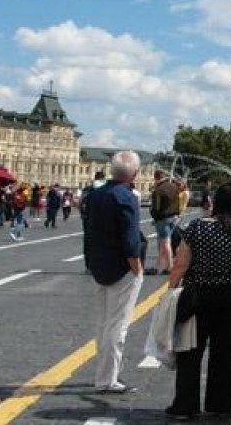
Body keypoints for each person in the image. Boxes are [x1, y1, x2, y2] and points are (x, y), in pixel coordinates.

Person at [166, 181, 231, 419]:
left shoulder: (197, 227)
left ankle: (185, 405)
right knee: (226, 351)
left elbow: (181, 263)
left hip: (198, 293)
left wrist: (170, 290)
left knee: (190, 350)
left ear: (215, 201)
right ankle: (222, 404)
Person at [87, 151, 144, 394]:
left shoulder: (96, 194)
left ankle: (103, 372)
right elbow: (130, 238)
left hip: (99, 265)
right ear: (134, 174)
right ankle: (108, 378)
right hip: (122, 267)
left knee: (103, 323)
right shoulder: (126, 197)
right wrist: (137, 267)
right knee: (118, 325)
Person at [148, 170, 180, 275]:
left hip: (162, 218)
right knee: (164, 243)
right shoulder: (174, 187)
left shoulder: (158, 190)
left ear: (156, 178)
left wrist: (154, 216)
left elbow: (156, 208)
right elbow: (177, 202)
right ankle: (157, 266)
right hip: (174, 217)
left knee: (165, 242)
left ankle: (170, 266)